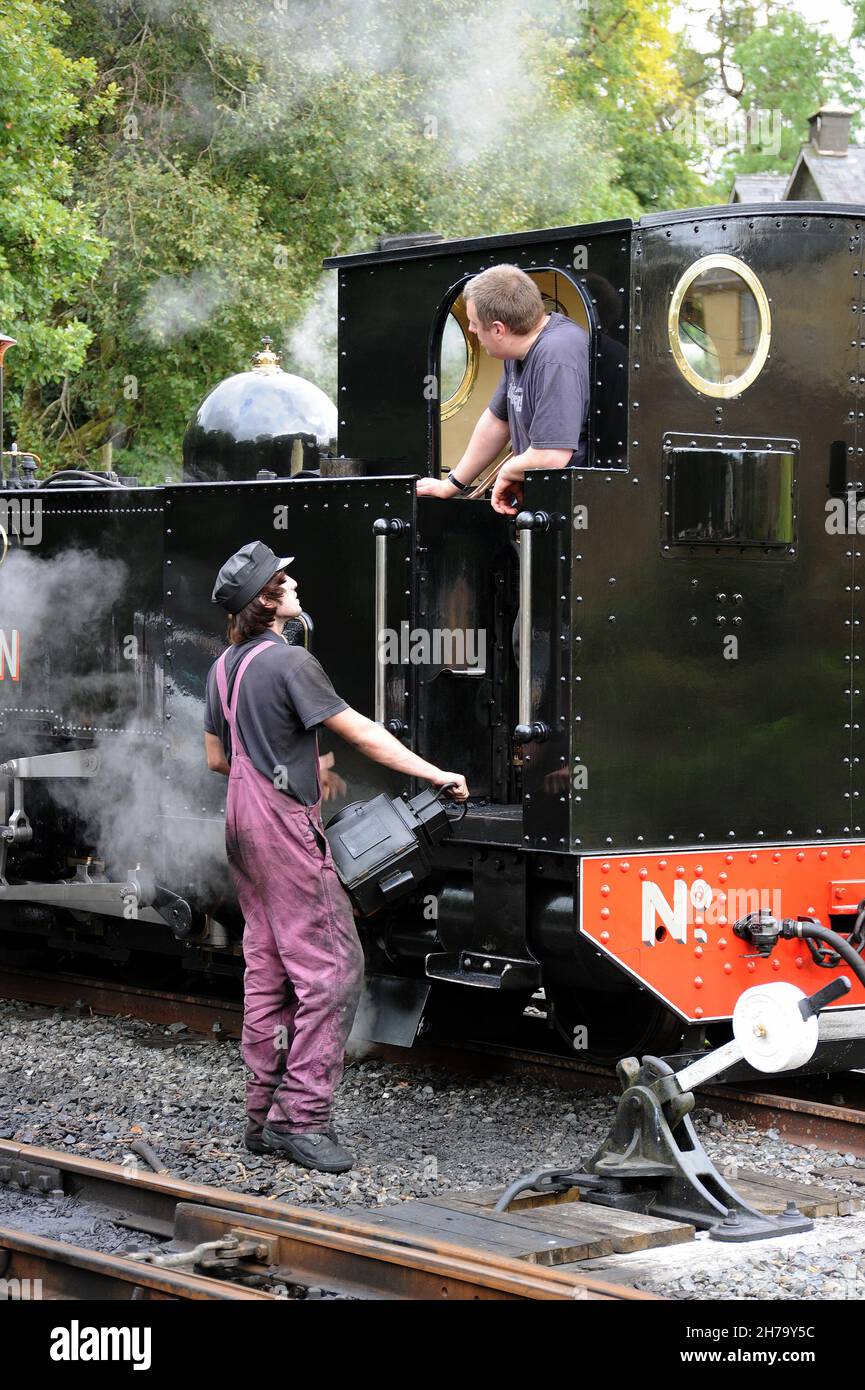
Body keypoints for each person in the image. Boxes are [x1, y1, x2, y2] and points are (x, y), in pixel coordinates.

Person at [204, 540, 468, 1174]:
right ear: (267, 601)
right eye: (283, 580)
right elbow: (362, 733)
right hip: (281, 824)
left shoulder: (223, 668)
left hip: (240, 821)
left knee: (267, 967)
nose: (294, 584)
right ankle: (303, 1119)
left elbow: (216, 760)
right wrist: (436, 775)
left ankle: (261, 1114)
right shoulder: (291, 662)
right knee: (331, 968)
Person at [417, 263, 589, 516]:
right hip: (546, 499)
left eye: (474, 323)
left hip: (575, 505)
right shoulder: (518, 351)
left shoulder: (556, 355)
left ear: (499, 329)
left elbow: (551, 455)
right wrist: (451, 484)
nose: (472, 330)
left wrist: (509, 470)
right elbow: (497, 421)